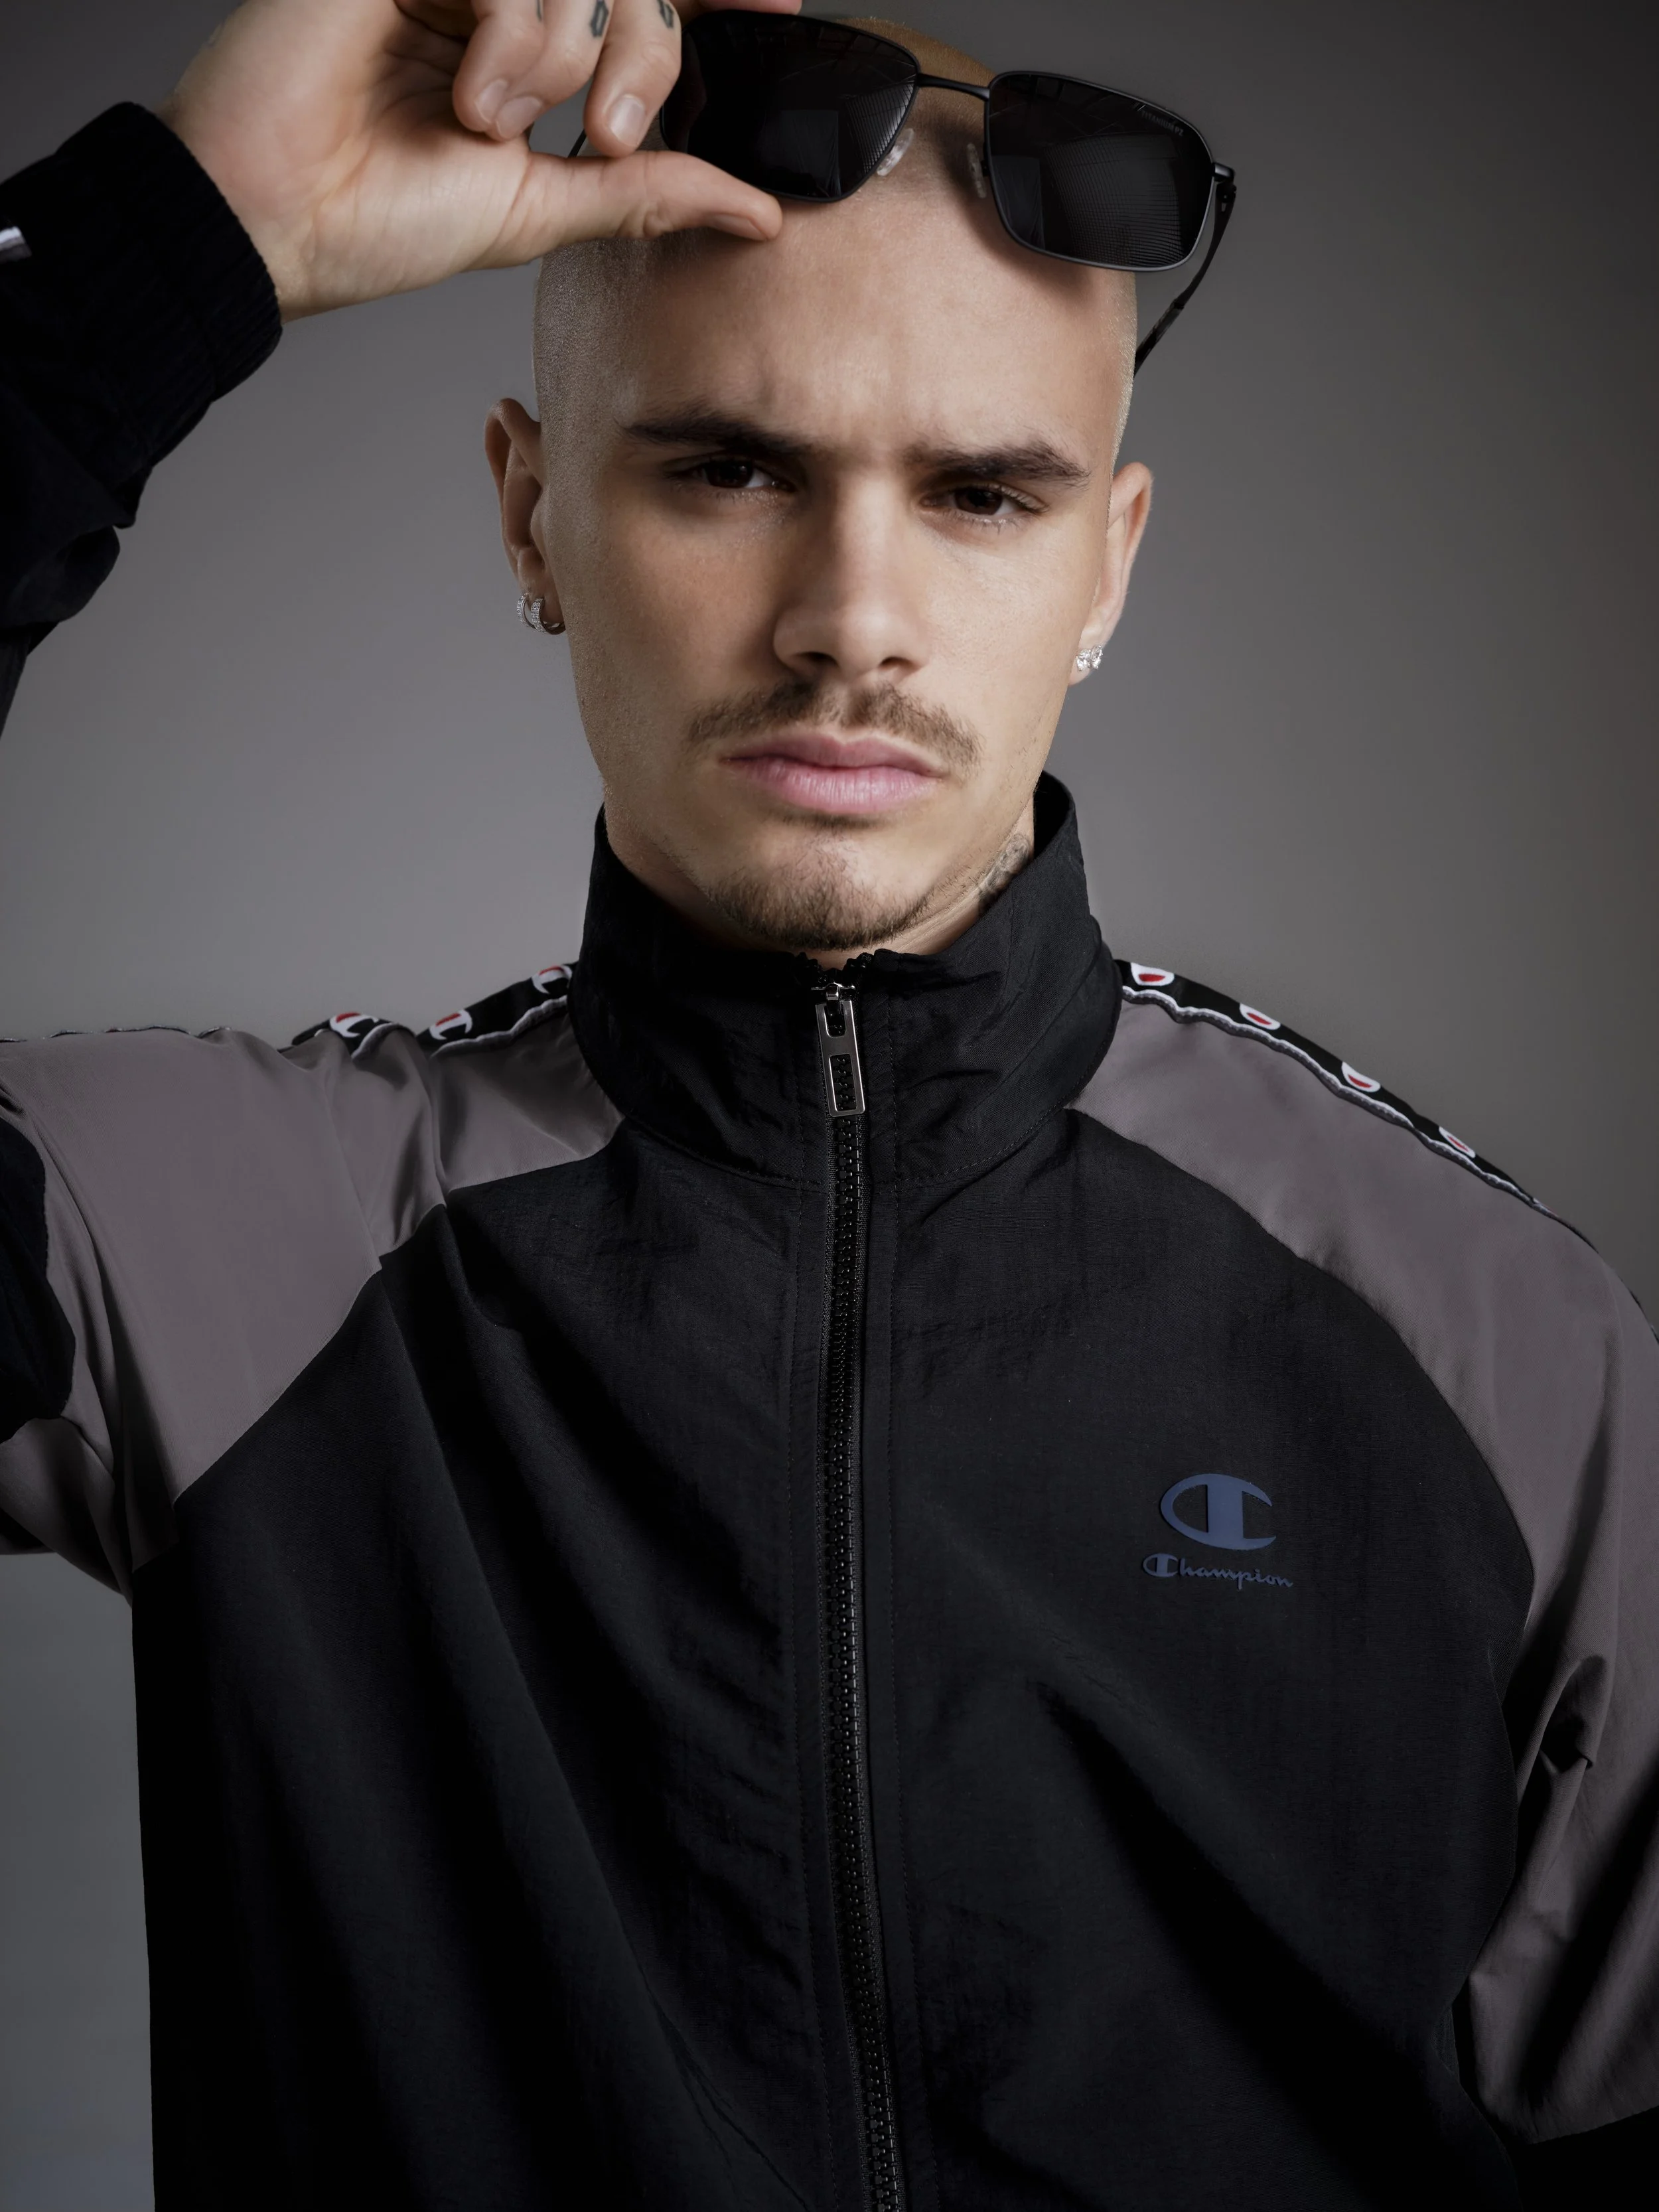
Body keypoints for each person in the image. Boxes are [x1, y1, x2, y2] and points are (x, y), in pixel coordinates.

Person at [0, 3, 1653, 2205]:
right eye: (728, 469)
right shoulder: (213, 1252)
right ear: (529, 511)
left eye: (981, 493)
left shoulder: (1499, 1352)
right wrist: (169, 242)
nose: (850, 621)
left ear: (1106, 567)